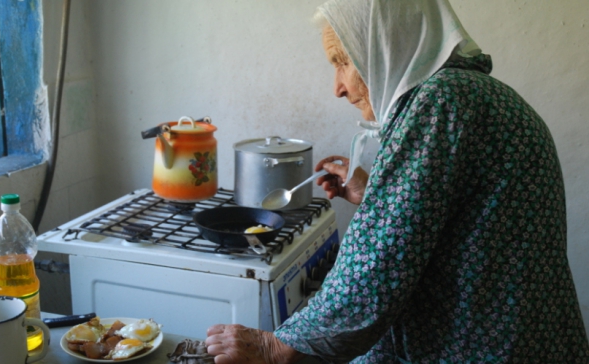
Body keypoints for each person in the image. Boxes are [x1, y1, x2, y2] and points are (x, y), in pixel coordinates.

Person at [206, 0, 589, 362]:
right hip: (524, 338)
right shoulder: (477, 95)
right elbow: (461, 221)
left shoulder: (441, 102)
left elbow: (377, 266)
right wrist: (376, 194)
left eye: (343, 62)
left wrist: (277, 346)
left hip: (483, 347)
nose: (338, 87)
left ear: (388, 44)